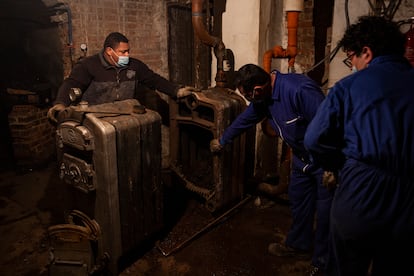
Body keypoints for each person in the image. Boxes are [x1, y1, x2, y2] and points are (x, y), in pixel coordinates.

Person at [304, 16, 414, 276]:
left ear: (367, 52)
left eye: (351, 57)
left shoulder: (348, 87)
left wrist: (335, 165)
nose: (351, 64)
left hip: (363, 189)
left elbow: (314, 139)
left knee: (346, 266)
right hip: (410, 198)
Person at [210, 63, 334, 275]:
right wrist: (223, 140)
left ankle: (322, 263)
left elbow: (330, 125)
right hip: (301, 159)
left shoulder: (299, 91)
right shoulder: (263, 97)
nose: (250, 101)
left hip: (323, 161)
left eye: (248, 96)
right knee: (299, 203)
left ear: (257, 89)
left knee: (325, 214)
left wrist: (332, 166)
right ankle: (298, 245)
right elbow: (246, 119)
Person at [47, 32, 195, 122]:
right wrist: (60, 103)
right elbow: (72, 83)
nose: (127, 55)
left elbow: (153, 79)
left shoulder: (134, 66)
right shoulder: (89, 65)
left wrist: (176, 91)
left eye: (128, 51)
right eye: (123, 52)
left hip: (125, 118)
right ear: (109, 51)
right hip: (96, 120)